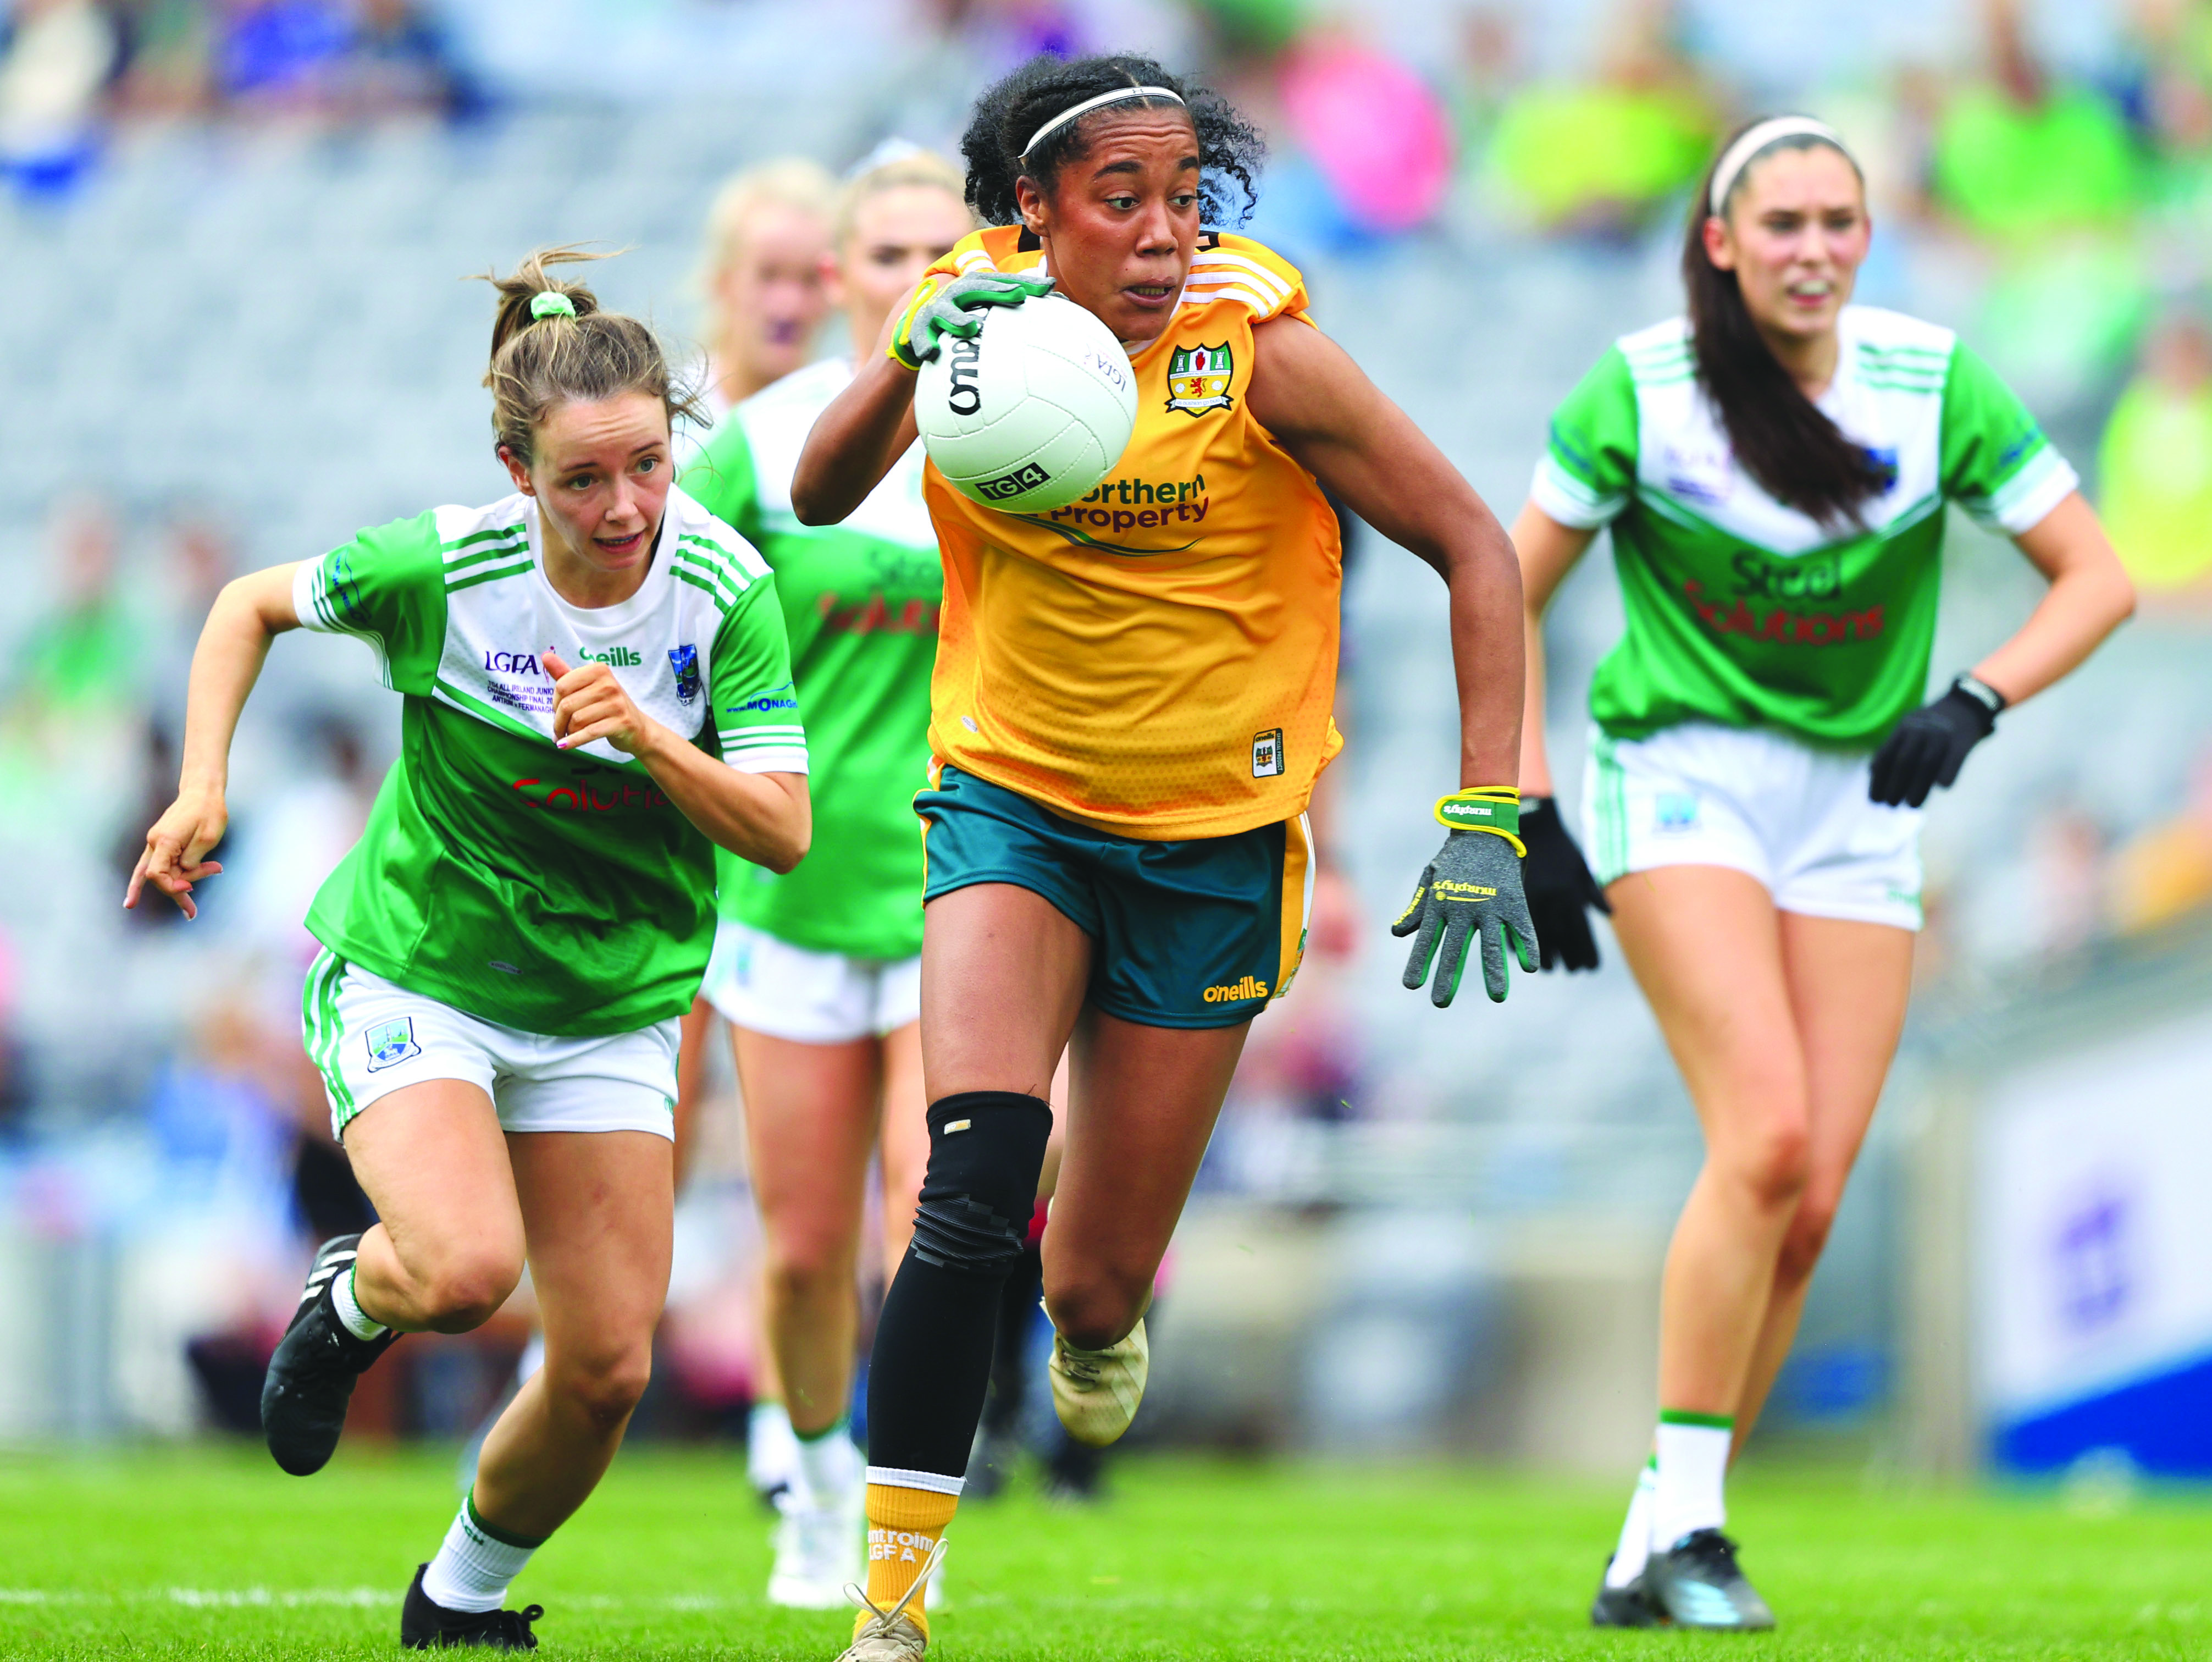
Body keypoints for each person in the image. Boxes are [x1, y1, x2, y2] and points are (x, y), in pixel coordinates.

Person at [791, 53, 1534, 1662]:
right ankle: (890, 1614)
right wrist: (903, 354)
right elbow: (818, 488)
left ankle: (1092, 1313)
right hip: (1012, 800)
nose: (1158, 233)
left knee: (1096, 1280)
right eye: (1119, 199)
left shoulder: (1263, 355)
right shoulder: (973, 327)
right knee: (963, 1178)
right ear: (1033, 212)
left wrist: (1487, 812)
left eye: (1184, 199)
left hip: (1211, 840)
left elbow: (1479, 547)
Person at [125, 249, 811, 1651]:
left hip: (611, 997)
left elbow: (783, 830)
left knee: (611, 1363)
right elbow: (244, 602)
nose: (623, 505)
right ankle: (353, 1289)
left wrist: (647, 734)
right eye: (580, 478)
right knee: (456, 1267)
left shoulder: (724, 590)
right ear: (516, 471)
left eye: (647, 464)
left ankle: (458, 1597)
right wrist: (204, 783)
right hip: (419, 969)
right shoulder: (445, 567)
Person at [1512, 116, 2135, 1630]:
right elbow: (1498, 590)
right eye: (1781, 222)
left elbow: (2101, 576)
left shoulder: (1932, 382)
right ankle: (1699, 1528)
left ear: (1869, 234)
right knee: (1770, 1132)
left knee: (1805, 1199)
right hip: (1678, 779)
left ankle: (1657, 1531)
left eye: (1838, 221)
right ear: (1721, 242)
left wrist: (1976, 695)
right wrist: (1514, 806)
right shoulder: (1643, 389)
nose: (1814, 249)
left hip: (1858, 806)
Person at [681, 142, 976, 1608]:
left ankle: (905, 1538)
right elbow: (677, 635)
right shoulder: (764, 443)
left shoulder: (1020, 433)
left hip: (954, 891)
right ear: (840, 274)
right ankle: (812, 1475)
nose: (913, 278)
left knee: (934, 1221)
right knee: (801, 1251)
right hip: (789, 895)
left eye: (943, 249)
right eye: (883, 253)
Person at [693, 157, 838, 425]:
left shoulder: (848, 428)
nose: (789, 307)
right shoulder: (665, 426)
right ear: (722, 280)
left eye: (811, 280)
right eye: (767, 275)